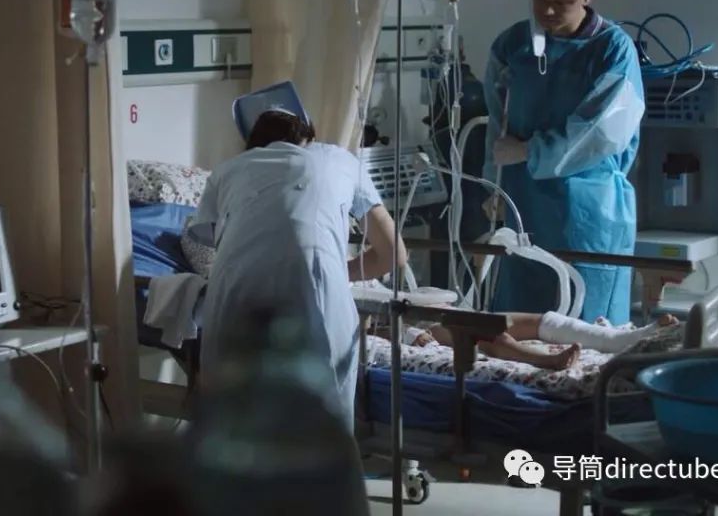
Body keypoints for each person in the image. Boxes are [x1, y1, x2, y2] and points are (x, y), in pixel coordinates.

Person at [187, 108, 405, 434]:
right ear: (310, 137)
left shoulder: (228, 170)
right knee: (323, 421)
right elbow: (394, 254)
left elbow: (217, 242)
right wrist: (338, 271)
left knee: (235, 420)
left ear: (253, 145)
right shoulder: (340, 160)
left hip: (235, 294)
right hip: (316, 292)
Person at [481, 0, 645, 326]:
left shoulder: (612, 50)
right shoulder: (513, 46)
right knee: (520, 326)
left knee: (587, 329)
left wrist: (530, 151)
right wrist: (493, 185)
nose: (548, 11)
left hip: (587, 211)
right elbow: (497, 124)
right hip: (523, 205)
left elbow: (600, 132)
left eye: (561, 1)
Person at [402, 310, 679, 370]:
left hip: (424, 311)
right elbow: (378, 323)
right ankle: (546, 360)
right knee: (480, 331)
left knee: (534, 321)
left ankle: (621, 340)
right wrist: (409, 333)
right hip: (410, 325)